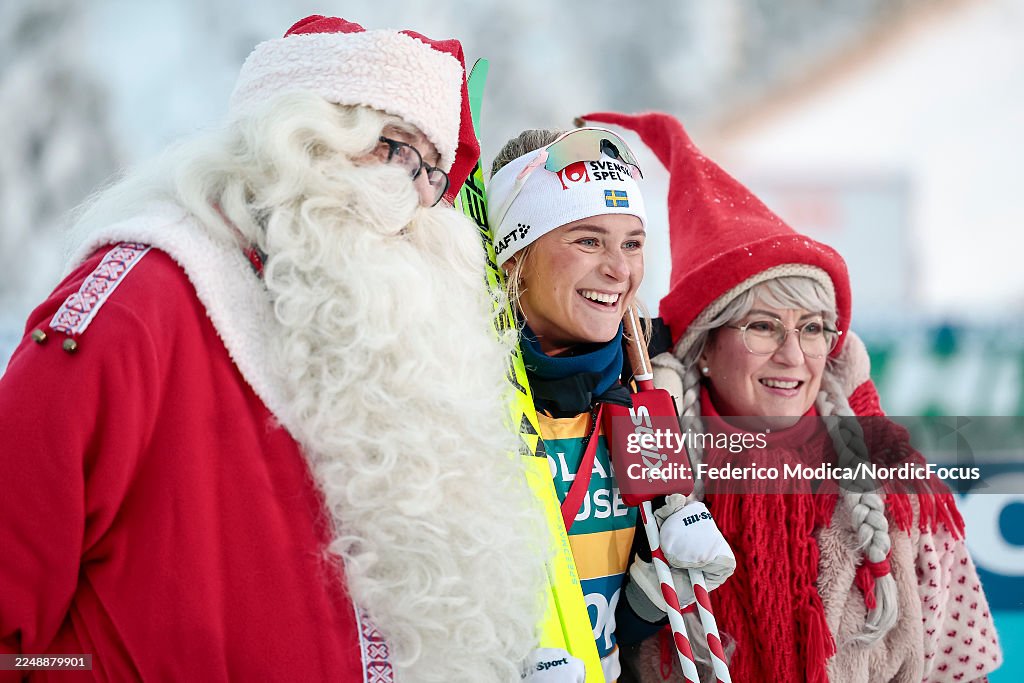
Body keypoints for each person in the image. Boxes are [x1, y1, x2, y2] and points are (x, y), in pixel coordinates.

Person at [0, 16, 554, 681]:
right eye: (395, 149)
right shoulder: (140, 304)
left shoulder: (372, 344)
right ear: (297, 138)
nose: (412, 198)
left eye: (432, 174)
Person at [579, 111, 1003, 683]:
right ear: (704, 342)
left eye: (812, 327)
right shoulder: (641, 466)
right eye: (761, 326)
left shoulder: (896, 480)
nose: (793, 354)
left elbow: (963, 669)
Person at [488, 127, 736, 683]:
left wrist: (657, 576)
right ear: (516, 255)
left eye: (632, 243)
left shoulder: (642, 395)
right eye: (587, 240)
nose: (619, 270)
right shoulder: (457, 398)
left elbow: (625, 626)